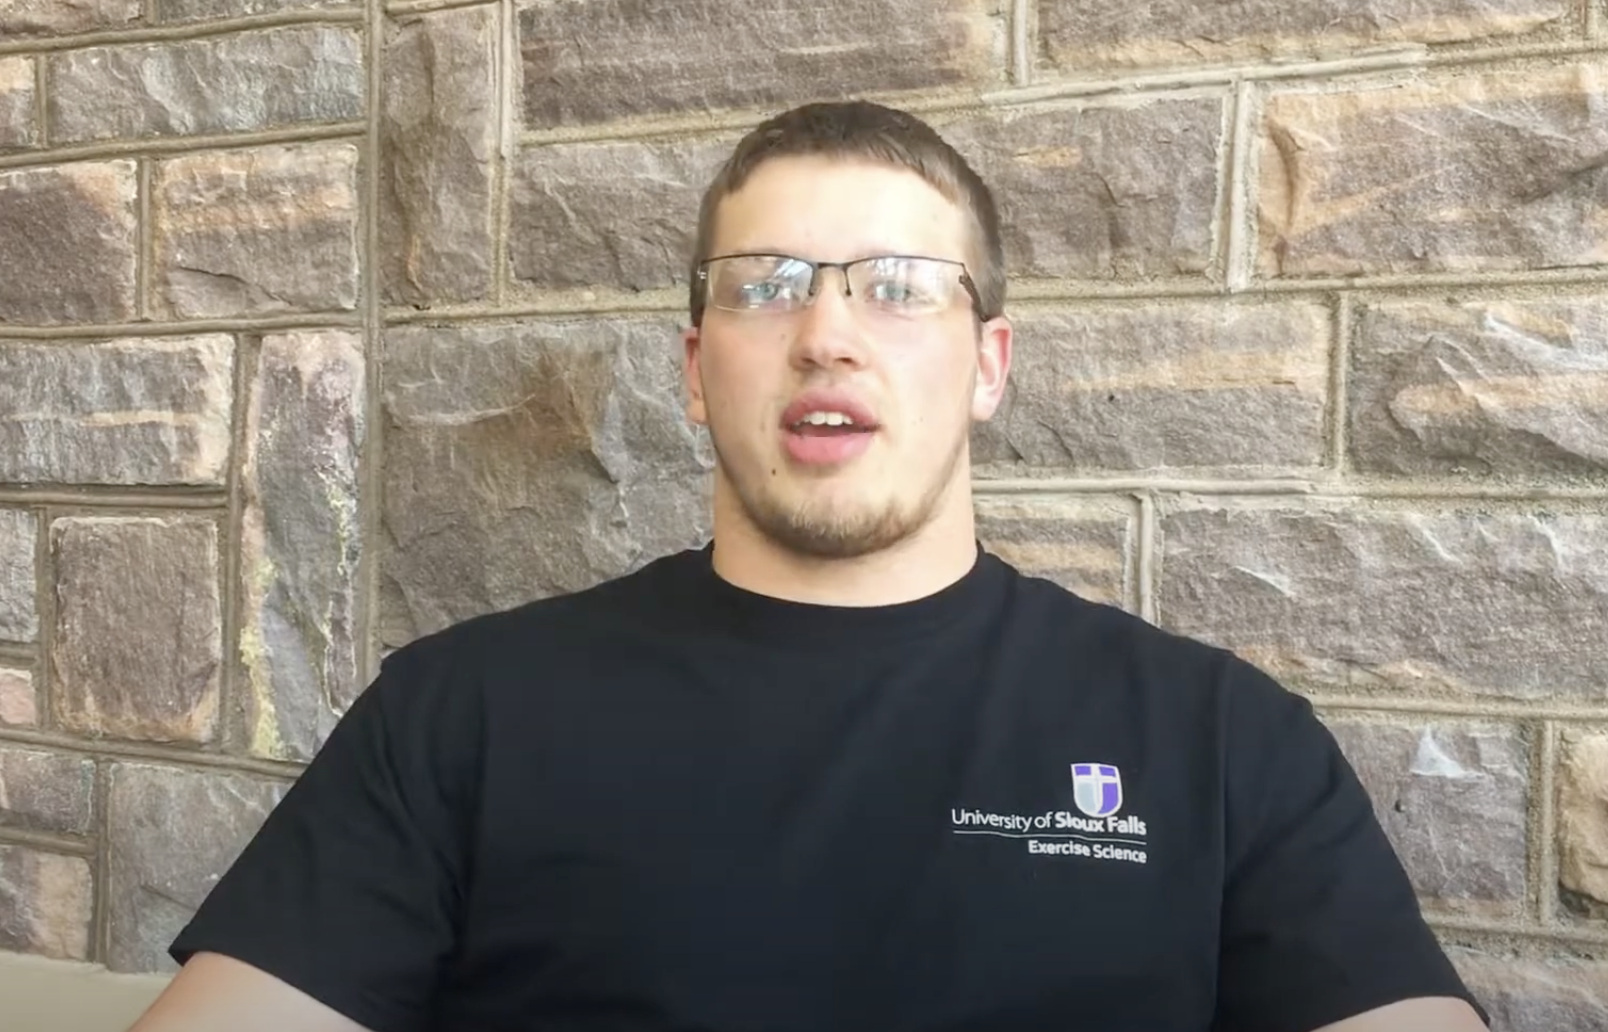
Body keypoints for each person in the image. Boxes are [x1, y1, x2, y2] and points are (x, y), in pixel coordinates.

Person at [126, 100, 1492, 1032]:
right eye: (766, 284)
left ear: (989, 367)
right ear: (694, 367)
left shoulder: (1216, 737)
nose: (827, 334)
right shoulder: (463, 711)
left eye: (898, 286)